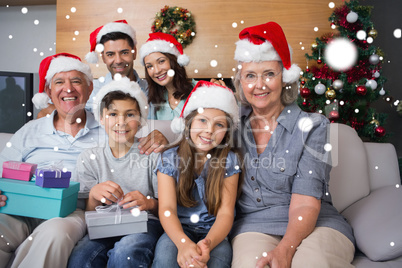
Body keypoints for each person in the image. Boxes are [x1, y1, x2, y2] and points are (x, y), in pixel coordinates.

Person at [230, 22, 355, 268]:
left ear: (285, 78)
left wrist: (285, 250)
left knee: (310, 264)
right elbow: (194, 137)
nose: (260, 85)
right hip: (253, 227)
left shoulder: (313, 126)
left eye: (269, 74)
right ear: (241, 82)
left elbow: (306, 202)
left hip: (316, 224)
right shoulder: (230, 125)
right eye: (250, 76)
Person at [0, 53, 106, 268]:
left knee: (55, 234)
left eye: (76, 81)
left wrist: (157, 139)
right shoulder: (30, 130)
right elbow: (3, 168)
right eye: (59, 82)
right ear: (49, 91)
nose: (68, 89)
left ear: (89, 88)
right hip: (21, 206)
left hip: (73, 210)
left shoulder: (110, 129)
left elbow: (135, 156)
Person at [67, 77, 163, 267]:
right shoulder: (89, 158)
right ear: (101, 118)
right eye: (113, 114)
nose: (121, 122)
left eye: (130, 115)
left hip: (145, 223)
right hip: (103, 225)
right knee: (80, 257)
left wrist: (148, 202)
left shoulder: (152, 155)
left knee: (125, 252)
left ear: (141, 120)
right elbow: (87, 213)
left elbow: (168, 207)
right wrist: (94, 196)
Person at [37, 20, 167, 155]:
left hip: (140, 158)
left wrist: (161, 135)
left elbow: (171, 126)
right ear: (103, 57)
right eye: (110, 54)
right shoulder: (88, 90)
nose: (118, 60)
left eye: (124, 52)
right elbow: (46, 112)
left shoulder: (154, 89)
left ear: (134, 52)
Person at [152, 80, 243, 268]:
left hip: (214, 233)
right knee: (164, 261)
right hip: (178, 231)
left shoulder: (230, 160)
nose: (209, 130)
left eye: (219, 125)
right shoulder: (169, 159)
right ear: (188, 123)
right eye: (202, 120)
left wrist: (208, 244)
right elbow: (167, 209)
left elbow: (226, 213)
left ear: (226, 133)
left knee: (216, 263)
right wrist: (184, 244)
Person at [139, 32, 194, 120]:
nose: (157, 71)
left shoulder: (199, 90)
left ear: (174, 61)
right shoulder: (155, 99)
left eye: (161, 61)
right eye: (150, 66)